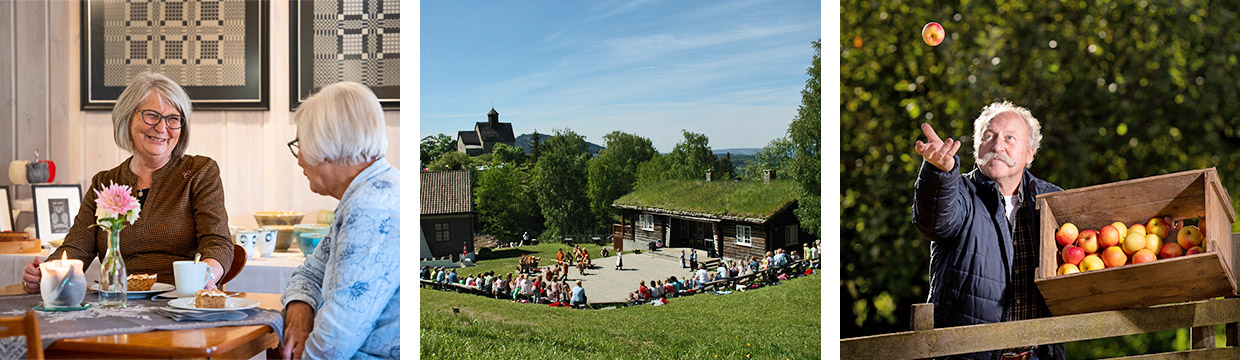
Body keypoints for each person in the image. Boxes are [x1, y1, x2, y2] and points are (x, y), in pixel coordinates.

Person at [21, 72, 233, 294]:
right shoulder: (104, 183)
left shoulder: (200, 172)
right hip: (118, 301)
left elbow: (218, 243)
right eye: (152, 115)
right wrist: (44, 272)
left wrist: (206, 276)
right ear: (127, 117)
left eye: (173, 119)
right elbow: (75, 248)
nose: (162, 128)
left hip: (181, 299)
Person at [912, 101, 1065, 360]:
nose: (997, 145)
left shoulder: (1053, 201)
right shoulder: (958, 192)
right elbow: (934, 221)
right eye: (988, 136)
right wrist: (939, 173)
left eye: (1010, 138)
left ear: (1030, 153)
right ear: (976, 147)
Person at [280, 82, 399, 359]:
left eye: (301, 144)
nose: (299, 159)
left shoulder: (371, 207)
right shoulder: (365, 194)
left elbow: (335, 341)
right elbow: (310, 272)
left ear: (328, 145)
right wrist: (300, 309)